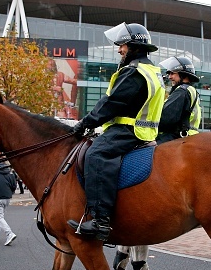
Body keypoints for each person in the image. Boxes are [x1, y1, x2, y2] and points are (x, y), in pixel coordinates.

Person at [67, 22, 165, 241]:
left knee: (96, 154)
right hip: (144, 131)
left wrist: (85, 123)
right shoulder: (152, 71)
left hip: (128, 130)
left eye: (122, 45)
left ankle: (101, 221)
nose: (119, 50)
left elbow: (112, 103)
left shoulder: (134, 72)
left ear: (134, 46)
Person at [155, 56, 201, 144]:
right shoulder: (190, 90)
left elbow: (166, 118)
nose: (169, 77)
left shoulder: (182, 91)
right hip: (189, 135)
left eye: (172, 73)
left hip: (177, 136)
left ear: (183, 74)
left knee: (144, 151)